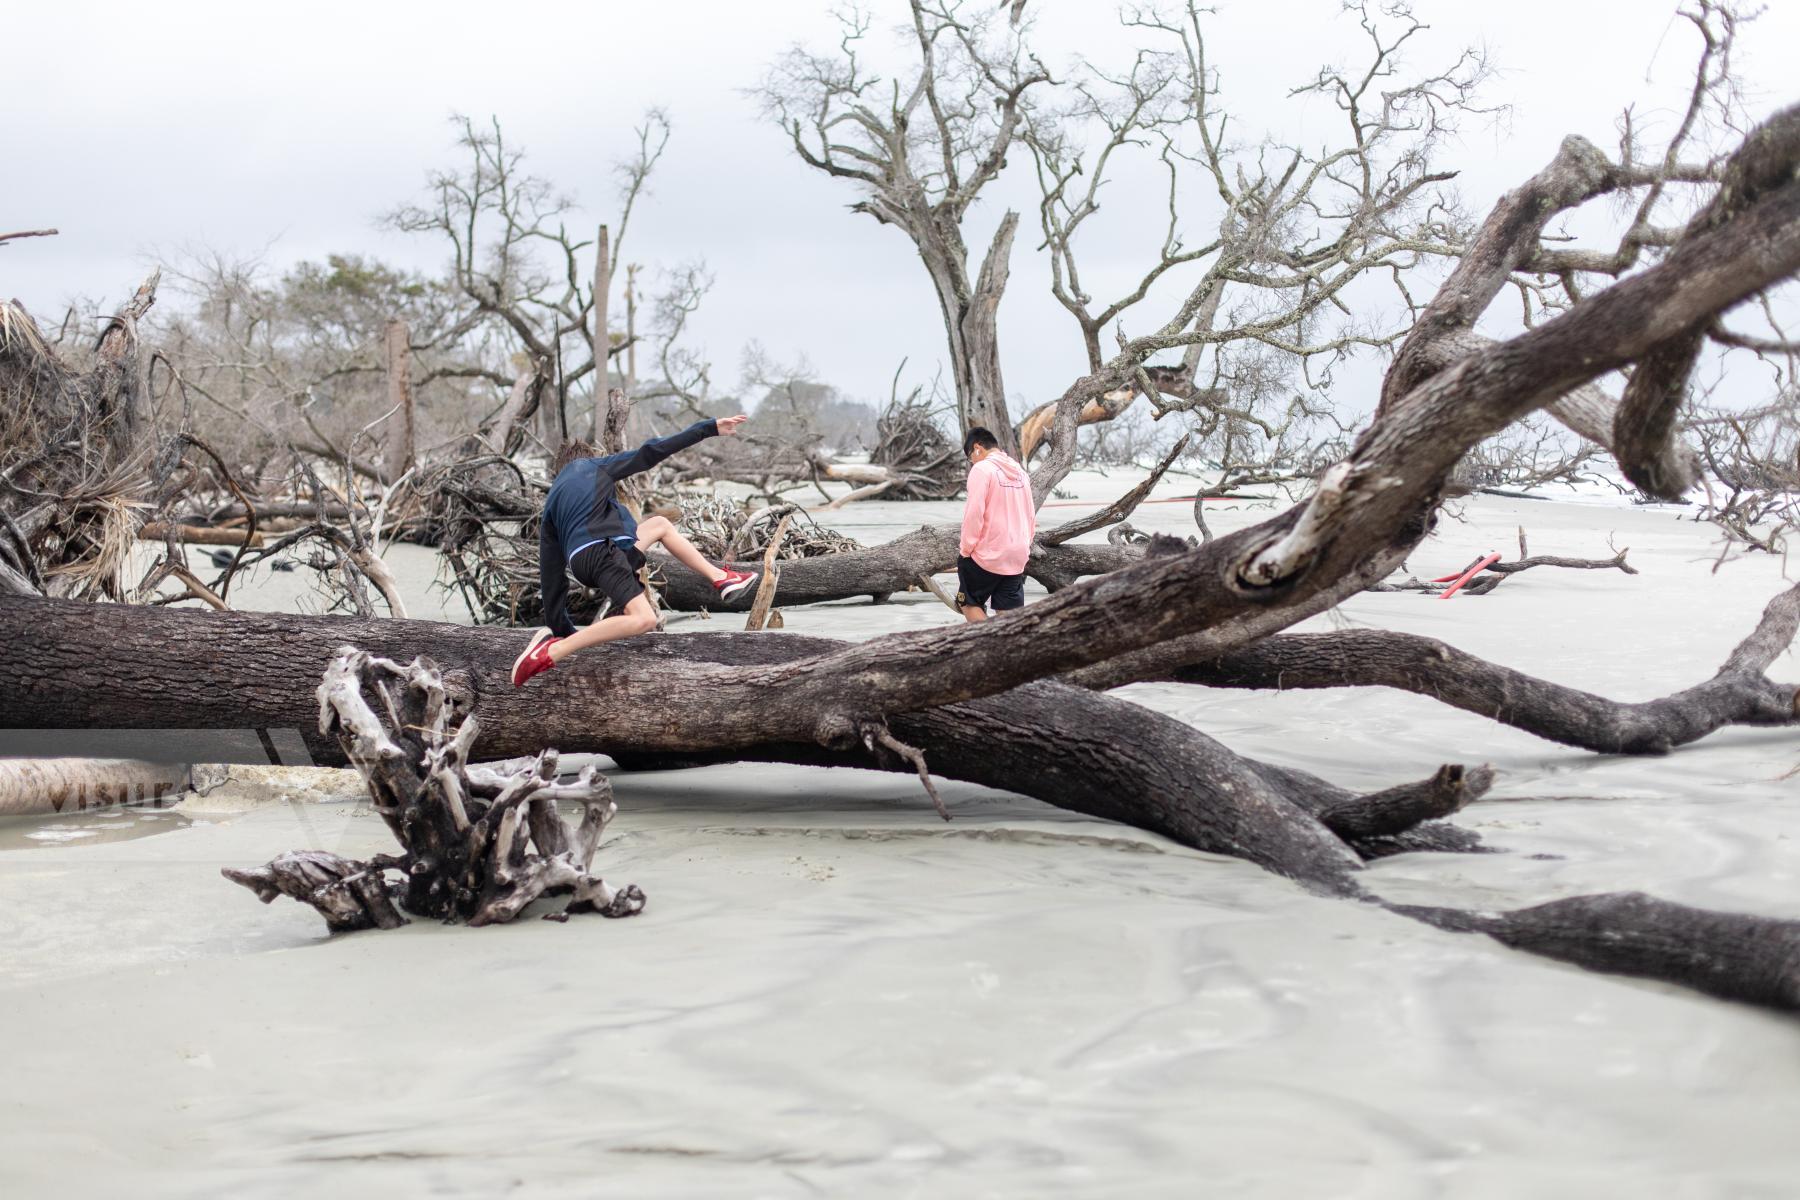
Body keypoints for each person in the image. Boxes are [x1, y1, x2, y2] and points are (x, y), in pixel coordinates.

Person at [512, 415, 758, 686]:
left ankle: (720, 578)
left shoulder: (552, 503)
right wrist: (708, 429)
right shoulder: (595, 466)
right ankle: (550, 653)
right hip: (602, 551)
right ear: (590, 457)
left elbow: (551, 576)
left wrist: (560, 627)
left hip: (587, 561)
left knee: (659, 525)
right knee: (644, 619)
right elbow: (651, 451)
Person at [955, 426, 1036, 622]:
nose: (971, 462)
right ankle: (1012, 649)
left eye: (970, 457)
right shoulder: (1020, 471)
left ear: (977, 448)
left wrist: (966, 550)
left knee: (968, 603)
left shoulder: (982, 469)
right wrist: (1026, 544)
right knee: (1009, 613)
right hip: (1017, 554)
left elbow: (974, 514)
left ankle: (988, 647)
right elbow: (1030, 514)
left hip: (988, 555)